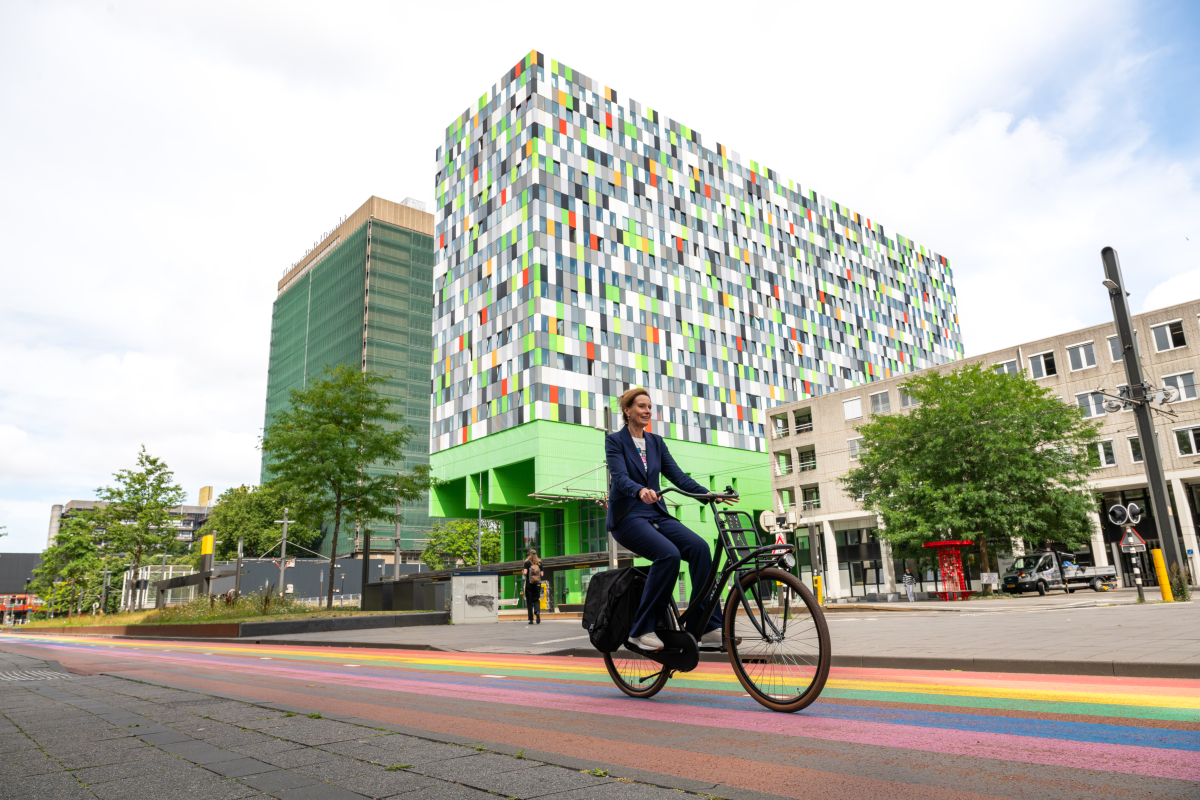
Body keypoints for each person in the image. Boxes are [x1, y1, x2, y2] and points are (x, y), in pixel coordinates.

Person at [605, 387, 737, 652]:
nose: (647, 411)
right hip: (628, 516)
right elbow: (619, 477)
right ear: (627, 410)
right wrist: (639, 490)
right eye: (641, 406)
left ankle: (706, 626)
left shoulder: (656, 442)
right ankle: (640, 629)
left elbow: (678, 476)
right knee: (669, 555)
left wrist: (708, 495)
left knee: (700, 548)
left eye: (649, 407)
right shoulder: (614, 441)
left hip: (656, 513)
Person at [522, 549, 542, 625]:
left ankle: (531, 620)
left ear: (529, 555)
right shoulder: (539, 563)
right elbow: (542, 574)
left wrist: (524, 573)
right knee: (536, 599)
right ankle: (537, 612)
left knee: (529, 601)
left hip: (529, 584)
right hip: (537, 584)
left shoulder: (526, 563)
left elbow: (525, 573)